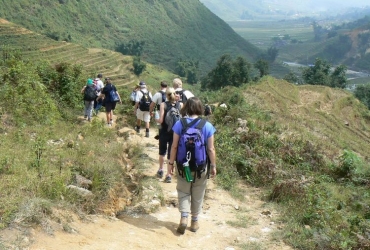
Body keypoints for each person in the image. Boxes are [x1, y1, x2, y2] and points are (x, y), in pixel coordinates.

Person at [168, 97, 217, 234]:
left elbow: (174, 146)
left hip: (184, 167)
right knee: (198, 191)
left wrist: (170, 164)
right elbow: (211, 149)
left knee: (184, 190)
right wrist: (213, 166)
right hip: (201, 167)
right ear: (200, 108)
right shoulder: (207, 125)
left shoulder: (180, 124)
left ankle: (184, 218)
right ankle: (194, 222)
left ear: (186, 108)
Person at [156, 87, 182, 183]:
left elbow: (161, 120)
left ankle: (161, 170)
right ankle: (169, 175)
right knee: (172, 153)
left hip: (164, 131)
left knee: (162, 151)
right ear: (175, 94)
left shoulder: (163, 105)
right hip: (175, 133)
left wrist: (156, 119)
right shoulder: (180, 105)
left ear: (166, 95)